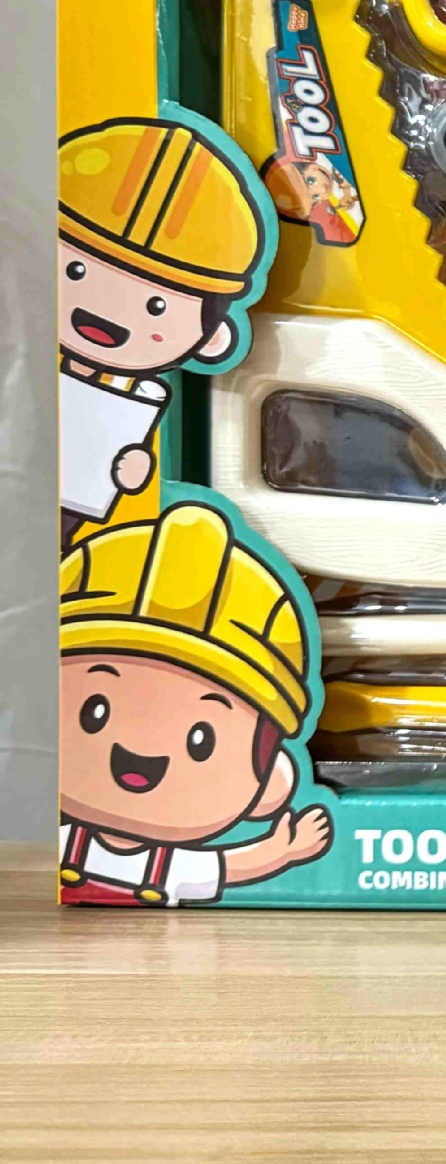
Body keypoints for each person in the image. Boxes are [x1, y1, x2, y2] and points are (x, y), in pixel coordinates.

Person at [59, 501, 331, 905]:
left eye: (200, 739)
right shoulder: (57, 839)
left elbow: (226, 868)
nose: (140, 751)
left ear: (272, 778)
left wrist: (282, 851)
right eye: (94, 712)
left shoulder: (170, 864)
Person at [58, 118, 266, 548]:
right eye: (75, 270)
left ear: (214, 336)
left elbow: (132, 472)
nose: (105, 313)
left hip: (72, 509)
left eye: (157, 306)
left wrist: (133, 468)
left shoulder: (139, 395)